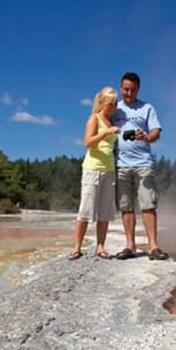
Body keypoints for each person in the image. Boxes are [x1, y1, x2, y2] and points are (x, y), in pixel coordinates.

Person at [111, 71, 169, 260]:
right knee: (126, 206)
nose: (129, 93)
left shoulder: (147, 108)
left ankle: (153, 246)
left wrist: (145, 137)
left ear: (138, 89)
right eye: (126, 89)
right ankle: (130, 246)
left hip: (143, 163)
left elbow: (156, 133)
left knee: (148, 205)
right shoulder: (114, 109)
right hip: (121, 164)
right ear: (121, 88)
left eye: (133, 90)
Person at [69, 86, 120, 260]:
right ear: (101, 103)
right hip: (93, 169)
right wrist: (106, 132)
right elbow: (88, 142)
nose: (114, 107)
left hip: (109, 170)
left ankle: (100, 247)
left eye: (115, 104)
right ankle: (77, 248)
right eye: (111, 104)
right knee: (85, 209)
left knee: (104, 211)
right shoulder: (94, 119)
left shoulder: (113, 122)